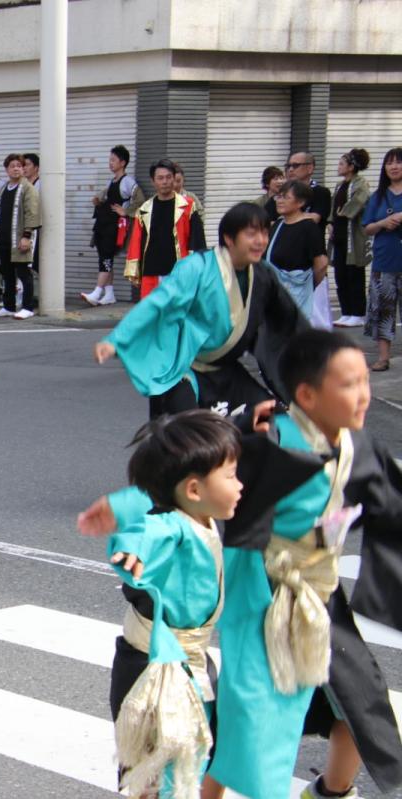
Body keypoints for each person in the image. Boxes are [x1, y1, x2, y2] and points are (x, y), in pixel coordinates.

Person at [212, 330, 402, 799]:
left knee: (361, 707)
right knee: (248, 718)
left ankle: (328, 792)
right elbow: (196, 466)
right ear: (307, 395)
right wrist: (240, 426)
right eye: (348, 384)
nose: (364, 395)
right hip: (263, 591)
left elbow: (393, 512)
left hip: (321, 594)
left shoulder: (361, 448)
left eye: (364, 381)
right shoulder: (272, 435)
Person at [82, 410, 241, 799]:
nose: (240, 484)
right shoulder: (174, 525)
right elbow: (149, 530)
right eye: (231, 476)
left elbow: (149, 497)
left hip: (186, 662)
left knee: (186, 761)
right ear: (194, 490)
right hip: (153, 668)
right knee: (157, 773)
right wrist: (132, 549)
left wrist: (119, 505)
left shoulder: (195, 510)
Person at [96, 202, 307, 420]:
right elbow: (158, 304)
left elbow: (289, 320)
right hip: (183, 368)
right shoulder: (197, 268)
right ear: (229, 238)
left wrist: (319, 356)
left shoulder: (263, 275)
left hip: (224, 369)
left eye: (264, 233)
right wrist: (116, 341)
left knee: (275, 419)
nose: (261, 241)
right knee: (189, 433)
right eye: (252, 234)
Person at [124, 159, 206, 299]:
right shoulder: (144, 210)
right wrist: (134, 270)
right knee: (152, 310)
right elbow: (137, 241)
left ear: (174, 179)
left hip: (180, 272)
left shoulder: (188, 206)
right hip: (151, 271)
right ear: (153, 181)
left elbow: (197, 240)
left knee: (179, 310)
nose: (165, 182)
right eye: (160, 178)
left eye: (168, 177)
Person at [85, 145, 145, 306]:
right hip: (104, 224)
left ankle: (97, 292)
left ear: (123, 162)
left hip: (114, 227)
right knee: (105, 257)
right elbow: (107, 199)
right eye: (110, 160)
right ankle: (109, 293)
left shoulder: (128, 182)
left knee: (106, 257)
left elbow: (140, 201)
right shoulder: (111, 181)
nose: (110, 163)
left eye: (113, 160)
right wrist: (98, 201)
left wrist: (126, 211)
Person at [266, 180, 329, 326]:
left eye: (286, 197)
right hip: (275, 293)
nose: (280, 201)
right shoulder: (278, 224)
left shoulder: (308, 227)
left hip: (296, 293)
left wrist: (307, 285)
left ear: (300, 202)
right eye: (279, 196)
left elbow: (321, 264)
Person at [363, 147, 402, 371]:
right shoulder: (377, 196)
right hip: (384, 261)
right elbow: (367, 228)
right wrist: (382, 223)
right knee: (382, 311)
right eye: (389, 163)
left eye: (398, 162)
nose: (394, 167)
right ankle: (383, 357)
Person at [0, 154, 40, 320]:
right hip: (4, 238)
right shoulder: (5, 188)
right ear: (6, 169)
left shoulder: (27, 188)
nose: (17, 168)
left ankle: (27, 307)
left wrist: (26, 236)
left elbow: (32, 213)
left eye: (20, 165)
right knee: (7, 274)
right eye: (12, 166)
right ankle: (9, 306)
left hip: (19, 239)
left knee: (24, 273)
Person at [331, 149, 372, 328]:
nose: (339, 167)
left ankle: (358, 313)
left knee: (354, 274)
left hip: (353, 235)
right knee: (340, 274)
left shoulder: (361, 183)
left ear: (351, 167)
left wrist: (344, 212)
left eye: (342, 163)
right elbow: (333, 207)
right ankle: (346, 312)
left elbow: (359, 201)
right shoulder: (339, 185)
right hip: (339, 234)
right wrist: (331, 221)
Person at [285, 151, 333, 227]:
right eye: (288, 166)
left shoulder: (320, 192)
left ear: (310, 168)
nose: (290, 169)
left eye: (295, 165)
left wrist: (285, 218)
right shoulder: (283, 192)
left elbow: (314, 219)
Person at [21, 154, 41, 274]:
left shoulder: (41, 184)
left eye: (27, 165)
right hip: (22, 228)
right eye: (23, 165)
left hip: (35, 230)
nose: (24, 168)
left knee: (32, 264)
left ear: (36, 167)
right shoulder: (22, 185)